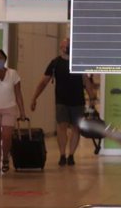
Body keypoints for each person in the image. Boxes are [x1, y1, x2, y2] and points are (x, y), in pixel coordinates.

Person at [30, 38, 96, 166]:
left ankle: (71, 155)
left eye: (70, 45)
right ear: (61, 47)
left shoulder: (78, 63)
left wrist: (92, 97)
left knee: (76, 128)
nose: (68, 48)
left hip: (78, 102)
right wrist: (34, 97)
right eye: (66, 45)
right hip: (61, 101)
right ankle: (62, 154)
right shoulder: (55, 63)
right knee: (62, 127)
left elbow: (86, 82)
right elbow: (44, 82)